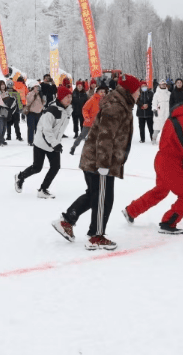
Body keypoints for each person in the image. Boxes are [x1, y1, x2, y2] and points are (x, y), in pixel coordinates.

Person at [52, 74, 140, 251]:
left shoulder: (121, 104)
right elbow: (105, 137)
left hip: (97, 159)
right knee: (103, 198)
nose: (140, 93)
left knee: (95, 195)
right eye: (138, 90)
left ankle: (67, 221)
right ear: (131, 91)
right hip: (100, 161)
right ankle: (96, 236)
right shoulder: (117, 106)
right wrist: (104, 165)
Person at [122, 86, 183, 234]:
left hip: (163, 160)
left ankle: (131, 211)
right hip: (170, 164)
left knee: (160, 191)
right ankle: (168, 223)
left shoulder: (180, 114)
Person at [16, 86, 73, 198]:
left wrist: (56, 142)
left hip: (53, 143)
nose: (69, 99)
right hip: (41, 143)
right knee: (37, 168)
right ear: (60, 97)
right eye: (67, 97)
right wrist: (55, 143)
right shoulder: (51, 111)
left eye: (70, 96)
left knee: (55, 167)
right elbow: (46, 130)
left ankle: (43, 189)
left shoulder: (67, 110)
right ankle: (20, 177)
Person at [71, 84, 107, 155]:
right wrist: (87, 117)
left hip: (99, 124)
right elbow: (85, 109)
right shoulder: (92, 99)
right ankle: (73, 147)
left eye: (104, 92)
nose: (103, 93)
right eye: (101, 91)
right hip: (89, 123)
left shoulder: (105, 101)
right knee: (82, 136)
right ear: (97, 92)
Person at [24, 80, 44, 146]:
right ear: (33, 87)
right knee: (31, 128)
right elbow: (28, 101)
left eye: (38, 87)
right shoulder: (30, 94)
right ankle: (30, 141)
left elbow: (43, 103)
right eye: (36, 87)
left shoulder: (40, 94)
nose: (37, 88)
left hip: (39, 113)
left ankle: (38, 140)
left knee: (38, 129)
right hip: (31, 113)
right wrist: (33, 93)